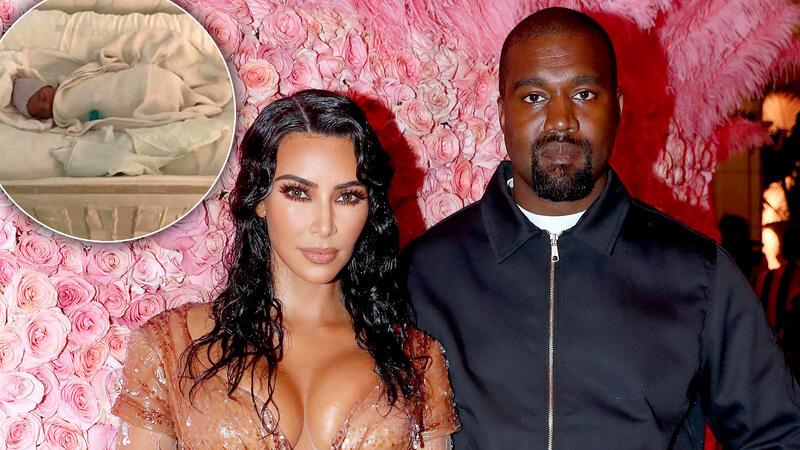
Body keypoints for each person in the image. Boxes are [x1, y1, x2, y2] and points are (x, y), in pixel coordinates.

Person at [404, 7, 800, 449]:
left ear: (618, 108)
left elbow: (778, 435)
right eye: (534, 97)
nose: (560, 120)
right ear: (501, 113)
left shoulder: (699, 276)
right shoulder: (425, 273)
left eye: (584, 94)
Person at [112, 90, 460, 449]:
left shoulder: (415, 360)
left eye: (347, 196)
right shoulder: (171, 345)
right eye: (298, 193)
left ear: (369, 207)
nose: (324, 225)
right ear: (260, 200)